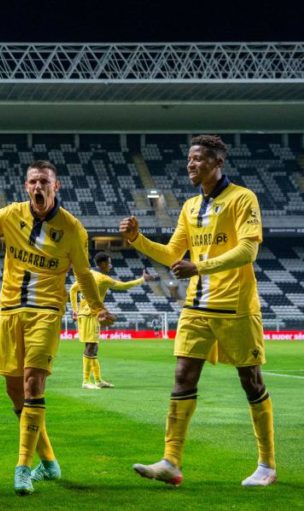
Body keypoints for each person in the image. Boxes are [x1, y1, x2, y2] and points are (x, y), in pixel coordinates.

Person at [0, 160, 114, 495]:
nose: (38, 187)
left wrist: (98, 306)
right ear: (26, 186)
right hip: (10, 312)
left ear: (56, 186)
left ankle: (22, 467)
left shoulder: (72, 228)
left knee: (34, 384)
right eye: (33, 181)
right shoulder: (9, 215)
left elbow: (82, 274)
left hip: (45, 312)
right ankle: (48, 461)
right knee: (15, 390)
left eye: (44, 182)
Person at [120, 135, 275, 487]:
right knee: (183, 376)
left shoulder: (242, 198)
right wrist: (137, 240)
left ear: (217, 163)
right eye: (189, 159)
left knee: (250, 381)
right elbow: (173, 254)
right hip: (196, 305)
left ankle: (267, 465)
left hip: (234, 305)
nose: (190, 164)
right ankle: (170, 461)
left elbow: (248, 252)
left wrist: (199, 268)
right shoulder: (190, 206)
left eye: (199, 158)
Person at [69, 252, 155, 389]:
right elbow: (124, 286)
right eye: (109, 263)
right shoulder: (103, 279)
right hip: (91, 315)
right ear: (102, 264)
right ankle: (86, 381)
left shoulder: (87, 274)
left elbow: (73, 290)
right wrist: (142, 279)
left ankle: (97, 380)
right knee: (91, 347)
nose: (111, 265)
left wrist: (74, 309)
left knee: (93, 347)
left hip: (86, 314)